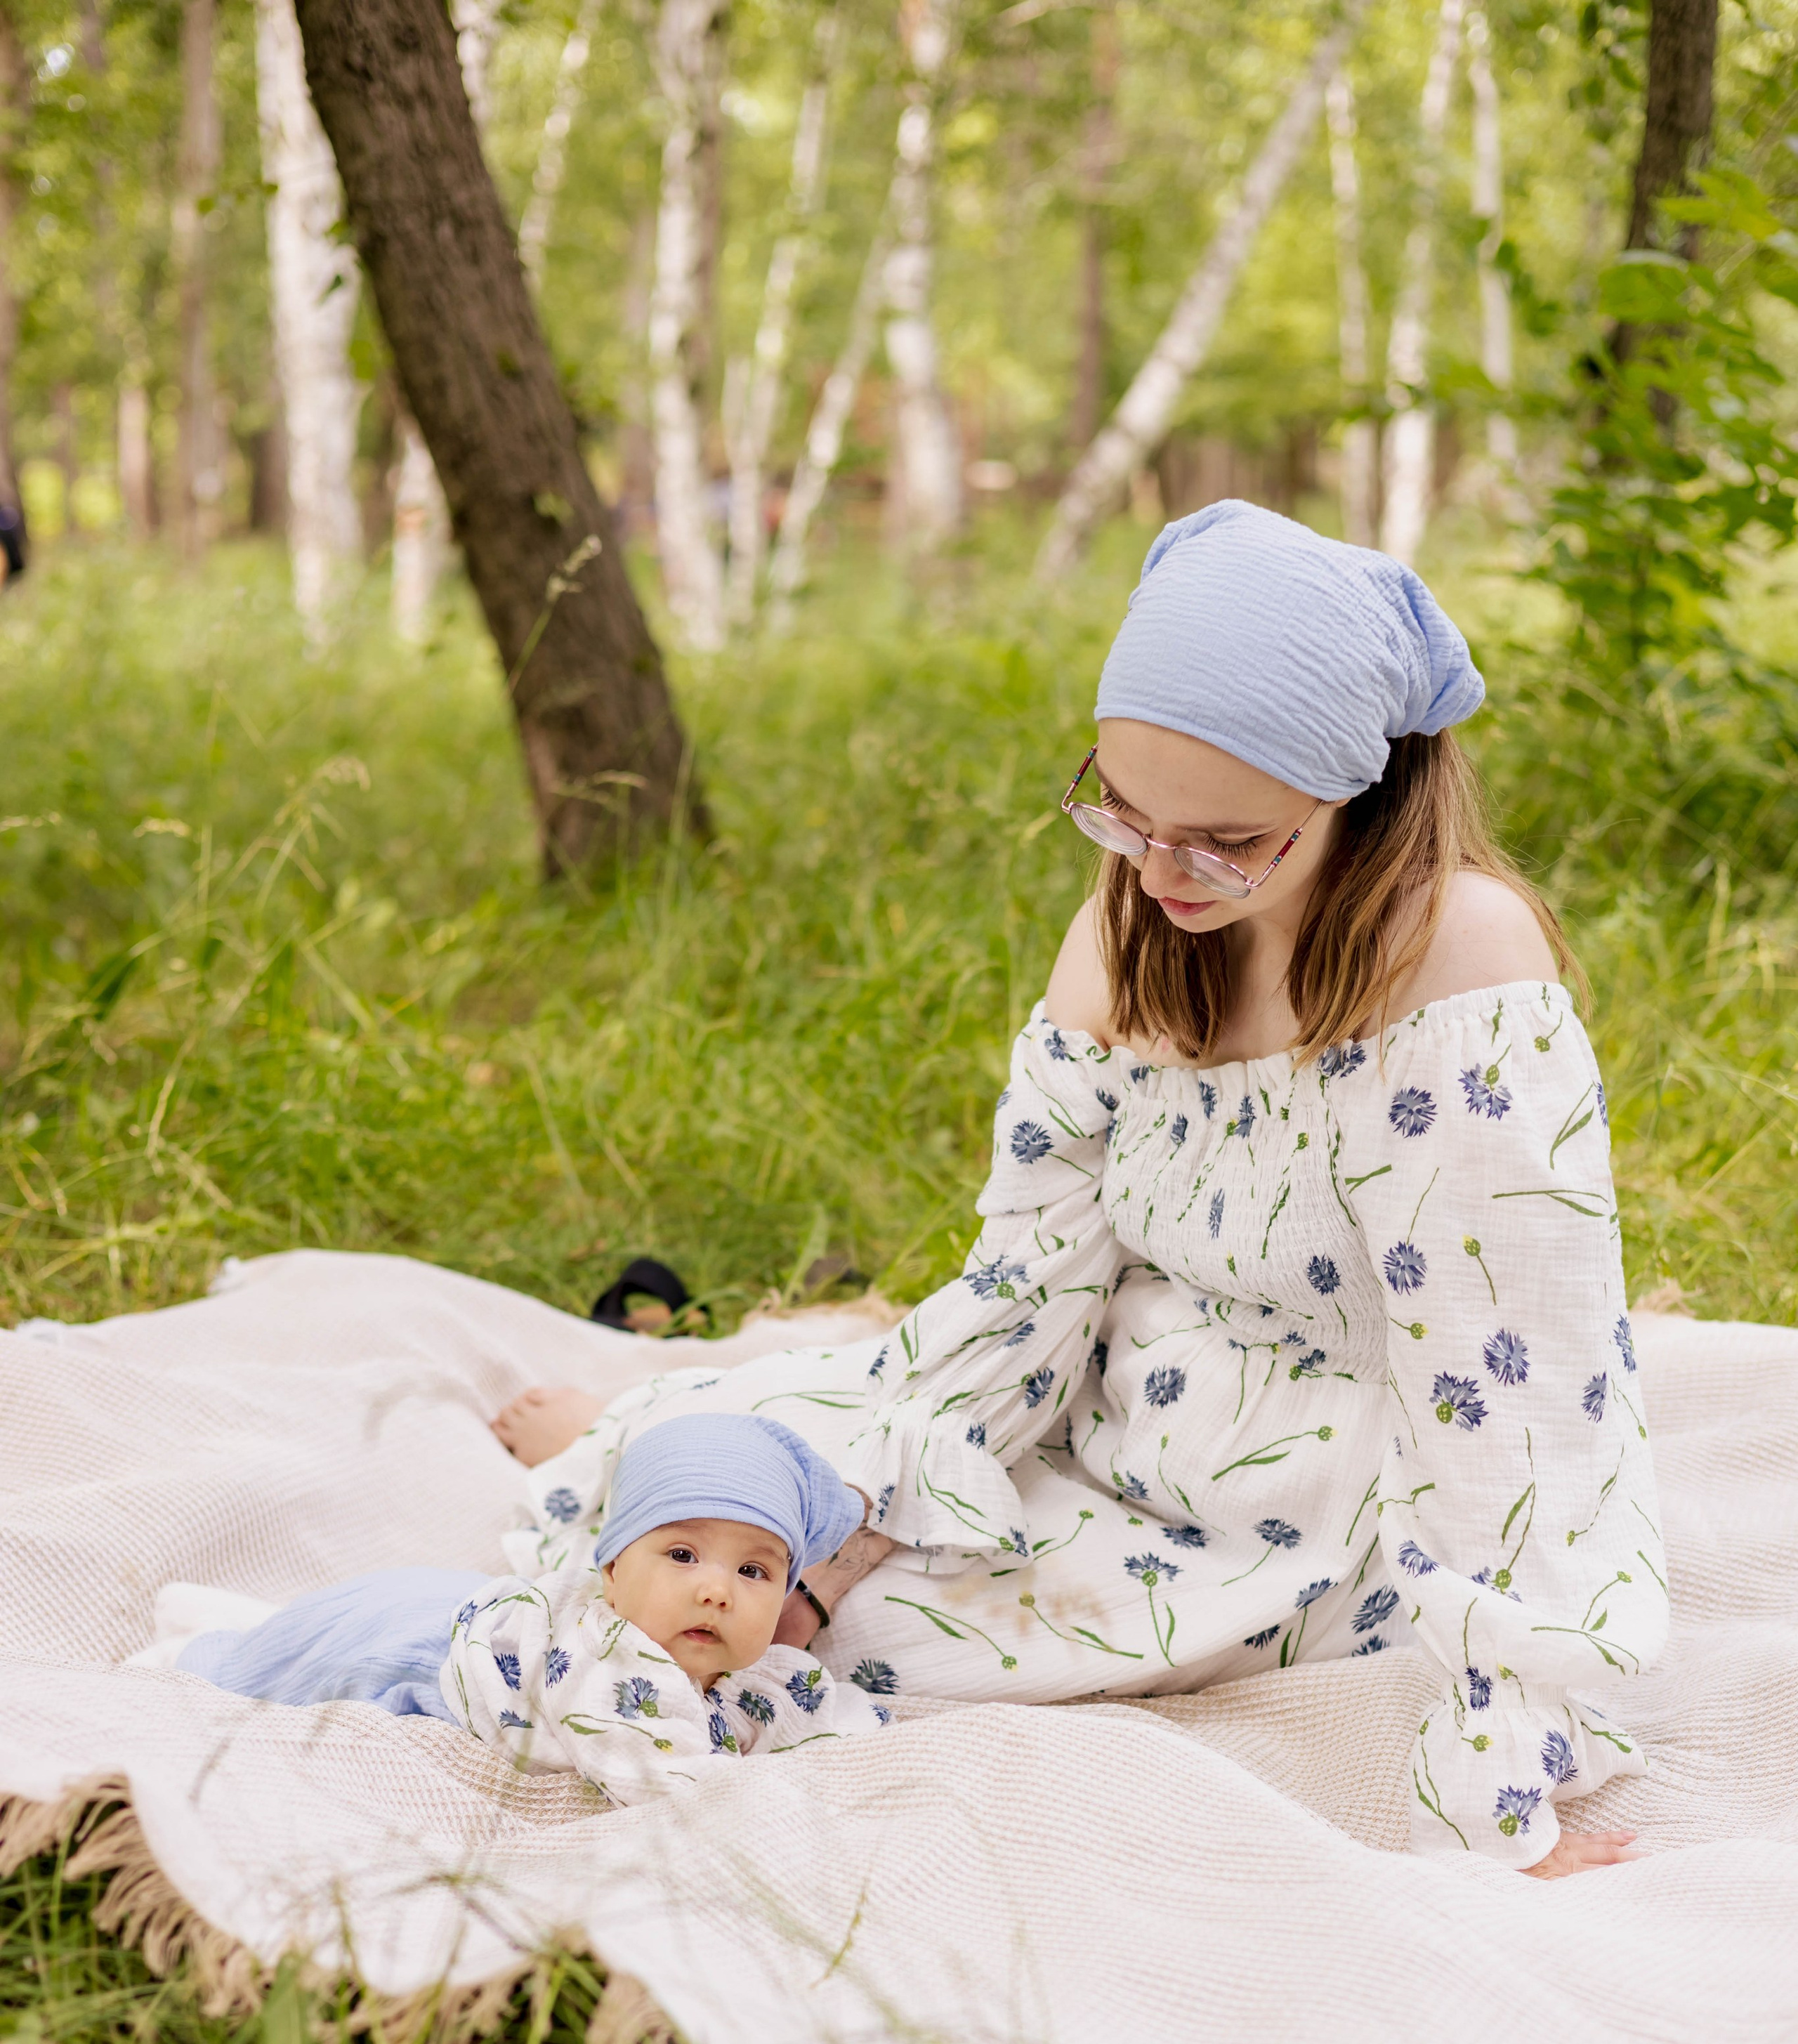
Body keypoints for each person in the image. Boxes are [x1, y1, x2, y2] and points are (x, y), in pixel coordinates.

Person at [490, 501, 1665, 1878]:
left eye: (1223, 840)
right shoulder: (1132, 925)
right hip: (1118, 1409)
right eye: (1123, 815)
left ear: (1355, 788)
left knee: (847, 1645)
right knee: (719, 1538)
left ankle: (685, 1432)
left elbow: (1515, 1400)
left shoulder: (1452, 957)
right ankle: (666, 1420)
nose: (1160, 873)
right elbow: (1024, 1298)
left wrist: (1500, 1780)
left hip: (1322, 1502)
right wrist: (837, 1535)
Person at [132, 1414, 892, 1804]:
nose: (717, 1590)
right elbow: (668, 1788)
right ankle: (197, 1649)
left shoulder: (735, 1668)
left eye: (755, 1570)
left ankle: (229, 1623)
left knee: (293, 1630)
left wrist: (863, 1734)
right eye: (683, 1555)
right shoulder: (619, 1672)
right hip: (422, 1643)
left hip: (456, 1603)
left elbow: (808, 1702)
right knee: (280, 1667)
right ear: (613, 1570)